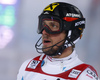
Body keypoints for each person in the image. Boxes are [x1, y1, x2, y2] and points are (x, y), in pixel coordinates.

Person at [17, 2, 100, 80]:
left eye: (53, 26)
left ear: (72, 34)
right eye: (43, 25)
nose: (44, 32)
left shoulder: (84, 76)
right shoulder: (27, 67)